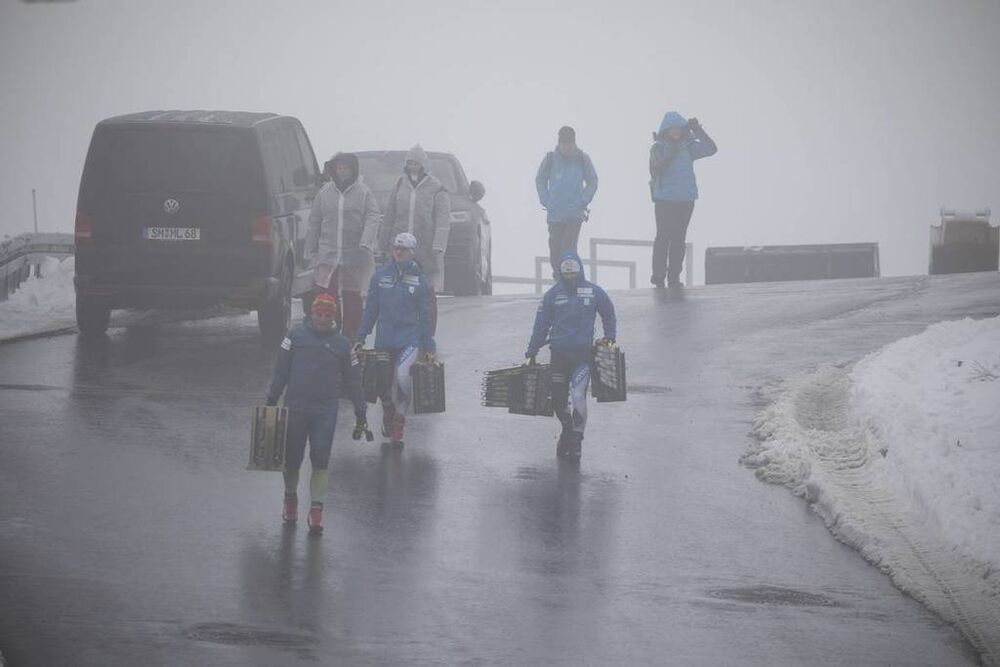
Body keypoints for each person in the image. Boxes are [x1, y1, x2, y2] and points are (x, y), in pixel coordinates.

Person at [265, 292, 369, 535]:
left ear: (334, 317)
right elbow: (281, 370)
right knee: (292, 459)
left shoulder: (343, 344)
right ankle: (290, 499)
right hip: (296, 408)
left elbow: (353, 381)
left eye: (327, 315)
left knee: (321, 458)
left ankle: (316, 509)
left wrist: (361, 410)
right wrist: (272, 399)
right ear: (311, 314)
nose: (322, 319)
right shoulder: (294, 336)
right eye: (319, 314)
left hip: (325, 411)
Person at [524, 250, 616, 460]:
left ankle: (577, 439)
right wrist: (531, 352)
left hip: (582, 357)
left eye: (573, 271)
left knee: (578, 397)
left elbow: (609, 313)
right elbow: (540, 325)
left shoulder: (594, 292)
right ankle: (567, 428)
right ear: (560, 273)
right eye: (566, 272)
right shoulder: (552, 295)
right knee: (558, 400)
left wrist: (610, 337)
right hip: (559, 356)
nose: (570, 276)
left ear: (579, 270)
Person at [355, 232, 436, 447]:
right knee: (382, 383)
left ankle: (400, 418)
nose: (398, 252)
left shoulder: (421, 280)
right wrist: (360, 337)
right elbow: (371, 310)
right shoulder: (380, 276)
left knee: (402, 378)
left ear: (412, 252)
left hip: (409, 340)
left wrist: (429, 346)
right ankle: (388, 411)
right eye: (396, 248)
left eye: (404, 249)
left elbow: (425, 316)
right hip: (384, 340)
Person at [304, 152, 381, 339]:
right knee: (327, 294)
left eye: (346, 168)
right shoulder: (325, 193)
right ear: (333, 170)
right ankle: (329, 330)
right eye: (339, 168)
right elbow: (315, 221)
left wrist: (366, 241)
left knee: (353, 296)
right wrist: (310, 249)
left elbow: (373, 217)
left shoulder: (363, 192)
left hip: (354, 253)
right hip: (328, 253)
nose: (342, 171)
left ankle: (351, 335)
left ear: (353, 169)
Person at [379, 145, 450, 326]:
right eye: (410, 163)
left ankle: (427, 330)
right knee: (401, 291)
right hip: (400, 249)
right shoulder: (399, 185)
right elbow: (389, 215)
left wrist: (438, 246)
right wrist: (383, 242)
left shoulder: (437, 188)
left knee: (426, 292)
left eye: (416, 163)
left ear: (423, 164)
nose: (413, 167)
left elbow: (442, 220)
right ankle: (405, 328)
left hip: (425, 249)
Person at [649, 112, 718, 288]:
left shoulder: (688, 147)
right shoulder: (658, 148)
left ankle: (674, 278)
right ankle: (658, 276)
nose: (676, 132)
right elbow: (656, 168)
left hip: (686, 199)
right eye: (672, 129)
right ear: (665, 130)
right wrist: (671, 152)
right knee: (663, 237)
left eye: (678, 128)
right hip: (665, 199)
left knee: (679, 239)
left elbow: (711, 149)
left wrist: (698, 130)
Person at [535, 126, 598, 276]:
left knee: (569, 250)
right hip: (554, 215)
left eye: (569, 143)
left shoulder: (582, 159)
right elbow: (540, 179)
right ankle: (559, 279)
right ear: (559, 143)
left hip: (574, 214)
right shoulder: (550, 159)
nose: (567, 147)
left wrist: (583, 200)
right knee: (555, 251)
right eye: (564, 143)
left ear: (574, 143)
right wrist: (546, 200)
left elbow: (593, 180)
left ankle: (571, 281)